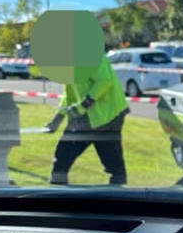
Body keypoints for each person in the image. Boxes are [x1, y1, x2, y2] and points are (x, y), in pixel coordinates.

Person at [45, 54, 129, 185]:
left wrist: (83, 106)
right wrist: (57, 119)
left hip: (108, 117)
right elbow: (69, 95)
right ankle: (56, 196)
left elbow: (105, 81)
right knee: (62, 157)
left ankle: (118, 197)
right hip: (86, 116)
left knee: (113, 163)